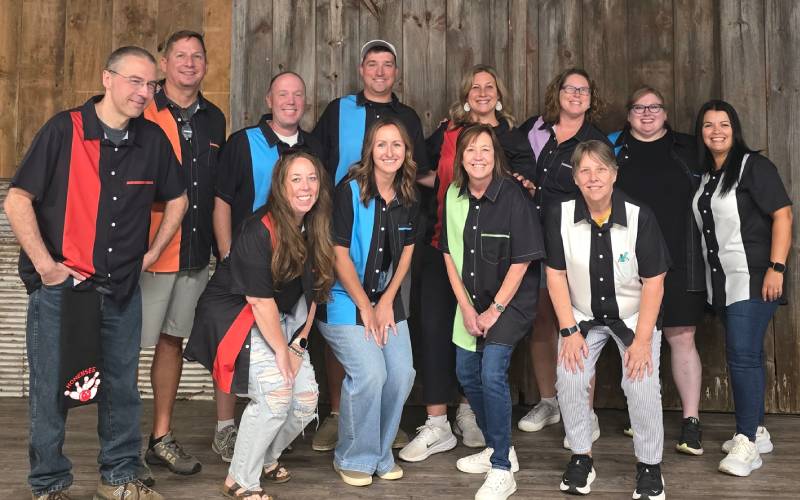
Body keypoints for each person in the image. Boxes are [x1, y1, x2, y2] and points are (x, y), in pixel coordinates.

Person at [5, 46, 188, 500]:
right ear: (108, 79)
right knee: (51, 388)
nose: (144, 92)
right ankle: (49, 485)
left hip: (122, 288)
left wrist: (151, 253)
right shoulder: (63, 131)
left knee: (122, 389)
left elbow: (178, 198)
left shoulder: (152, 141)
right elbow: (17, 200)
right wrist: (47, 267)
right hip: (63, 291)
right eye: (134, 81)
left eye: (151, 85)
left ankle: (119, 478)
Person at [400, 64, 534, 463]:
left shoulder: (512, 138)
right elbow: (425, 172)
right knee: (438, 330)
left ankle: (475, 420)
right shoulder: (446, 132)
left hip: (495, 256)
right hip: (447, 243)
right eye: (474, 86)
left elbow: (527, 183)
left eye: (489, 86)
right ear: (465, 93)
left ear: (499, 94)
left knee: (483, 349)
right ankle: (437, 422)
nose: (481, 92)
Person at [184, 151, 334, 500]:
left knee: (306, 399)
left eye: (311, 178)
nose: (305, 186)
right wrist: (282, 353)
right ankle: (240, 480)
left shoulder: (316, 223)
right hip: (236, 314)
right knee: (277, 394)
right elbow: (258, 300)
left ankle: (264, 456)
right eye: (295, 179)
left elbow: (316, 290)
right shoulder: (258, 228)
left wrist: (299, 344)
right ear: (280, 186)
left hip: (279, 319)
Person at [311, 39, 430, 453]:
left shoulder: (408, 120)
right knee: (354, 354)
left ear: (395, 72)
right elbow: (317, 168)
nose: (380, 72)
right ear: (362, 69)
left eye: (388, 65)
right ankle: (339, 417)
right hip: (347, 240)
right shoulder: (338, 110)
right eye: (372, 65)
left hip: (388, 254)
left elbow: (424, 173)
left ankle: (376, 427)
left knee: (394, 369)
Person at [211, 70, 323, 462]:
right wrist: (228, 254)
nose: (290, 101)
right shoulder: (243, 143)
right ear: (268, 100)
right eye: (282, 94)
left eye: (297, 94)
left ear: (305, 102)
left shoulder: (314, 146)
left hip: (291, 275)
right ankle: (226, 428)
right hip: (249, 264)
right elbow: (222, 200)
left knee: (280, 356)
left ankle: (266, 439)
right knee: (233, 345)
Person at [548, 140, 669, 498]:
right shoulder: (560, 214)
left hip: (633, 317)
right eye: (584, 170)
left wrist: (643, 341)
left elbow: (654, 282)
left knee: (641, 382)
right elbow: (555, 275)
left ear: (614, 174)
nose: (593, 177)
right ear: (575, 178)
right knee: (570, 377)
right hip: (582, 315)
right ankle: (581, 458)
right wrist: (568, 330)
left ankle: (650, 467)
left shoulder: (639, 216)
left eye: (601, 169)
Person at [138, 30, 226, 479]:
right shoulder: (142, 111)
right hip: (148, 254)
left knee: (172, 343)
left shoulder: (215, 119)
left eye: (196, 56)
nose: (188, 63)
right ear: (164, 63)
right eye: (179, 56)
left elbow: (214, 192)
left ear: (205, 64)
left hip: (193, 254)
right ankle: (116, 447)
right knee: (122, 345)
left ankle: (160, 437)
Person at [440, 124, 544, 500]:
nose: (478, 156)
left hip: (511, 301)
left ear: (495, 155)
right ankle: (498, 448)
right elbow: (449, 254)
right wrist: (467, 309)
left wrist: (494, 310)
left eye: (485, 149)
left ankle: (502, 468)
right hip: (471, 301)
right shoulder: (454, 195)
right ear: (461, 157)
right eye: (470, 150)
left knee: (492, 369)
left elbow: (521, 262)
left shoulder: (513, 195)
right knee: (466, 370)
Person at [316, 117, 418, 486]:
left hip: (385, 299)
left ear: (406, 152)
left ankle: (380, 453)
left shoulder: (407, 195)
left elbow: (407, 252)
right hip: (345, 300)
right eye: (382, 145)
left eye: (397, 145)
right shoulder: (349, 190)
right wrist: (366, 306)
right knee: (371, 374)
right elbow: (338, 254)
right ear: (370, 152)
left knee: (402, 374)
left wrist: (387, 299)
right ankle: (352, 456)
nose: (389, 152)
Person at [692, 100, 792, 477]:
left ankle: (747, 441)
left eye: (724, 124)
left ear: (735, 128)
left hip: (754, 276)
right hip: (721, 282)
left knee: (743, 356)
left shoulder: (754, 167)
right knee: (745, 353)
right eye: (708, 125)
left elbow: (782, 214)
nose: (716, 131)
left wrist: (776, 267)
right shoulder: (706, 177)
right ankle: (758, 430)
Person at [607, 86, 707, 453]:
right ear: (629, 114)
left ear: (665, 113)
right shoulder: (614, 148)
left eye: (654, 108)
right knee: (637, 338)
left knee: (682, 337)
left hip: (682, 258)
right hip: (628, 262)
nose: (647, 114)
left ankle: (690, 421)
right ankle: (642, 417)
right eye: (639, 108)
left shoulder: (689, 148)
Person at [516, 68, 610, 448]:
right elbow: (502, 152)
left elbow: (600, 189)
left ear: (591, 98)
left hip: (575, 241)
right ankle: (549, 402)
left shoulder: (595, 140)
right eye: (570, 88)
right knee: (541, 322)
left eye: (583, 90)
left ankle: (584, 412)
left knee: (577, 325)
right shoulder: (535, 128)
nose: (576, 95)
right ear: (558, 93)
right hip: (530, 239)